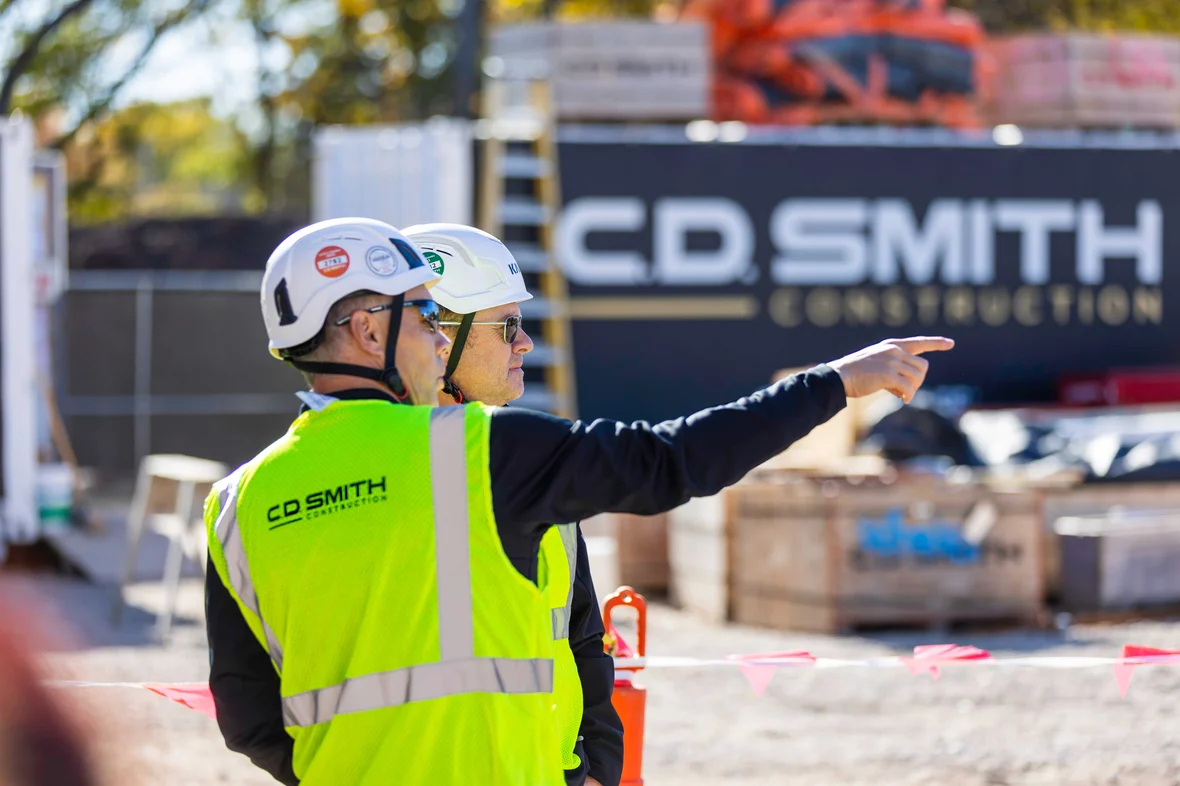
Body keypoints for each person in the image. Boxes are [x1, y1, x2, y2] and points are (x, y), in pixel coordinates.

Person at [205, 217, 954, 785]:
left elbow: (247, 716)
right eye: (425, 317)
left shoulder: (238, 503)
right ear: (367, 330)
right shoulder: (477, 450)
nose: (437, 340)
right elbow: (669, 462)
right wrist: (834, 383)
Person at [404, 222, 622, 786]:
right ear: (440, 337)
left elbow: (580, 633)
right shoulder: (381, 479)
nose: (525, 343)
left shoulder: (529, 463)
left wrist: (597, 768)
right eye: (509, 326)